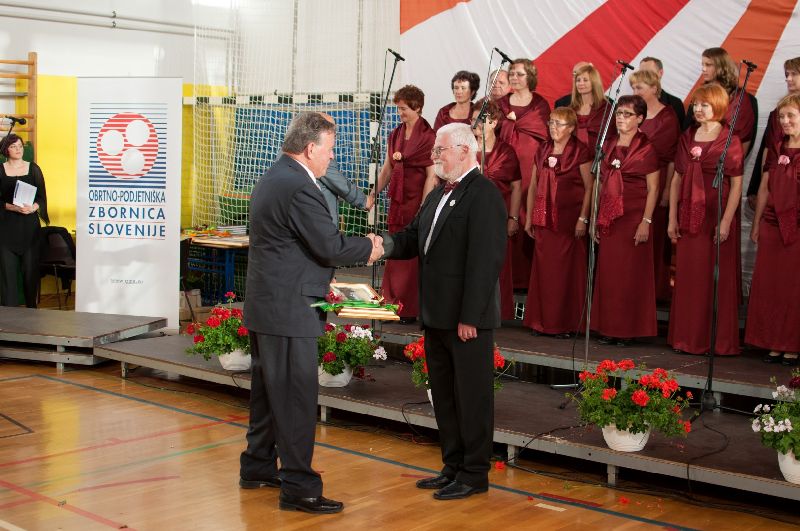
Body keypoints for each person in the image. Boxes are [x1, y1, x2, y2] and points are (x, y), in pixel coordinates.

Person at [239, 112, 383, 515]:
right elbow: (329, 246)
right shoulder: (300, 187)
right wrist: (370, 247)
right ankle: (299, 487)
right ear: (310, 148)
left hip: (268, 306)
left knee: (268, 396)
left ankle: (257, 466)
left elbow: (293, 246)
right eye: (330, 149)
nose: (332, 157)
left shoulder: (274, 176)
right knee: (296, 400)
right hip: (289, 311)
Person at [382, 123, 506, 501]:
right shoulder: (438, 193)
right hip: (436, 315)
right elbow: (412, 238)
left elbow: (485, 262)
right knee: (446, 396)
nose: (434, 156)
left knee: (472, 398)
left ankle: (474, 473)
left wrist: (470, 316)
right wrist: (377, 245)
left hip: (465, 321)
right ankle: (452, 466)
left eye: (440, 150)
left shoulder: (484, 194)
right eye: (435, 150)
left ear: (465, 151)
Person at [668, 84, 744, 356]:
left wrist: (726, 221)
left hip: (715, 216)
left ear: (719, 107)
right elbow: (676, 179)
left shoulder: (729, 139)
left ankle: (715, 341)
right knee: (690, 277)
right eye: (696, 105)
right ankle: (686, 338)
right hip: (689, 216)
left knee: (713, 279)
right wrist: (672, 218)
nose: (698, 109)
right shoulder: (688, 136)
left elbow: (736, 185)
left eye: (704, 105)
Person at [590, 95, 660, 345]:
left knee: (629, 276)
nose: (621, 118)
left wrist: (646, 221)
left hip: (633, 217)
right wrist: (595, 217)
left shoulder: (646, 148)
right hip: (610, 217)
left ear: (640, 119)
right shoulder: (608, 144)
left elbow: (653, 188)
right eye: (619, 113)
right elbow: (599, 183)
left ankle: (627, 330)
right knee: (610, 275)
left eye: (627, 114)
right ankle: (608, 327)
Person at [523, 107, 592, 337]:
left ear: (571, 128)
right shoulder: (543, 148)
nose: (553, 127)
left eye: (559, 124)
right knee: (544, 272)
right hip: (544, 220)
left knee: (565, 273)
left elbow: (590, 186)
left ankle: (564, 324)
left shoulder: (580, 151)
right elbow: (533, 184)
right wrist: (530, 217)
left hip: (568, 222)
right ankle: (541, 322)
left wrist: (583, 218)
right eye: (551, 122)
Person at [375, 85, 438, 323]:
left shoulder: (429, 136)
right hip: (397, 202)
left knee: (411, 254)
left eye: (403, 109)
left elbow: (431, 175)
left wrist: (424, 207)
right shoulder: (395, 134)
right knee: (393, 250)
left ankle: (407, 307)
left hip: (416, 202)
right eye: (398, 108)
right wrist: (373, 194)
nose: (399, 113)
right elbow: (387, 169)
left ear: (417, 107)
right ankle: (390, 302)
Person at [746, 93, 800, 366]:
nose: (785, 121)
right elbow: (765, 186)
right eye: (782, 116)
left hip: (797, 227)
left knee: (793, 288)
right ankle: (773, 343)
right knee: (771, 285)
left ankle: (792, 344)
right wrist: (757, 222)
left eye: (791, 115)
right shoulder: (776, 147)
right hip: (771, 223)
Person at [496, 58, 550, 289]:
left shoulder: (540, 105)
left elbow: (547, 138)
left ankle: (526, 280)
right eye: (512, 74)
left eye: (520, 74)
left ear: (530, 77)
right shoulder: (500, 104)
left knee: (526, 212)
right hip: (503, 168)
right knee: (504, 210)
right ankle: (503, 277)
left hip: (530, 169)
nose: (515, 77)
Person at [630, 69, 681, 301]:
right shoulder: (634, 114)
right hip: (632, 181)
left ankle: (653, 290)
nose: (635, 92)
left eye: (639, 87)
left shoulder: (667, 117)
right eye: (633, 87)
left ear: (654, 88)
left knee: (654, 235)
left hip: (657, 178)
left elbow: (671, 158)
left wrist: (667, 190)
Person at [472, 101, 521, 320]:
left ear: (493, 122)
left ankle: (496, 310)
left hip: (497, 216)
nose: (476, 123)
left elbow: (516, 186)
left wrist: (513, 217)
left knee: (496, 262)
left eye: (481, 119)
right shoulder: (466, 148)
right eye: (474, 119)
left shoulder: (506, 151)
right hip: (470, 216)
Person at [0, 133, 48, 308]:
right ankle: (9, 318)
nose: (18, 149)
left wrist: (33, 207)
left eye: (20, 146)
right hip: (6, 228)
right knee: (8, 277)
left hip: (29, 228)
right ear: (6, 150)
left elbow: (42, 198)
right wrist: (13, 207)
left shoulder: (34, 169)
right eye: (13, 146)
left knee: (30, 273)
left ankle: (32, 313)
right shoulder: (0, 170)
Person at [746, 57, 800, 207]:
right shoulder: (778, 112)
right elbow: (767, 150)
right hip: (776, 185)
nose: (788, 79)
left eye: (794, 74)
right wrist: (758, 188)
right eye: (787, 74)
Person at [685, 47, 757, 157]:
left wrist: (733, 162)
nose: (703, 69)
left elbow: (744, 137)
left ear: (721, 66)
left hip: (724, 157)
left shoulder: (738, 97)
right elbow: (688, 128)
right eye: (702, 65)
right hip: (696, 154)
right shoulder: (700, 93)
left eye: (708, 65)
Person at [317, 113, 374, 227]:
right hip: (320, 222)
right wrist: (363, 200)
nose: (334, 133)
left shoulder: (289, 150)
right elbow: (338, 182)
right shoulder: (320, 152)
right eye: (330, 128)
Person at [570, 63, 613, 151]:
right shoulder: (571, 108)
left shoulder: (605, 108)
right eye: (578, 80)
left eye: (585, 80)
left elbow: (610, 137)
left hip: (597, 155)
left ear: (594, 83)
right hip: (572, 155)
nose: (581, 83)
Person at [639, 56, 687, 126]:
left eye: (649, 73)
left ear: (660, 73)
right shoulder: (632, 103)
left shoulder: (675, 103)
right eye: (641, 73)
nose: (644, 76)